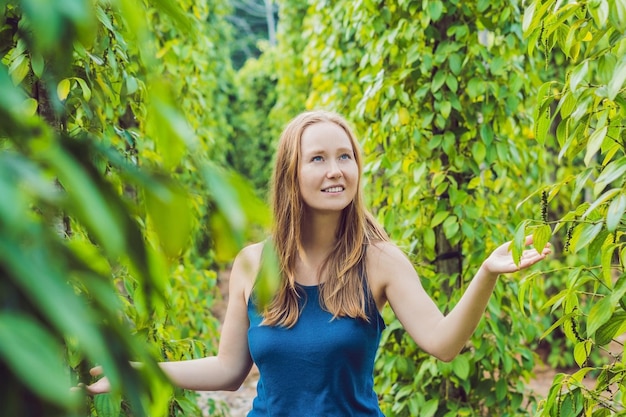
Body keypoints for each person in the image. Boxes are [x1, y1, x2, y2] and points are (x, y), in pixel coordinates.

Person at [84, 110, 551, 416]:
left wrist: (486, 273)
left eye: (345, 156)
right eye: (319, 158)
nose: (336, 170)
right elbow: (229, 370)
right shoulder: (253, 264)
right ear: (292, 174)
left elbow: (443, 343)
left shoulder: (380, 261)